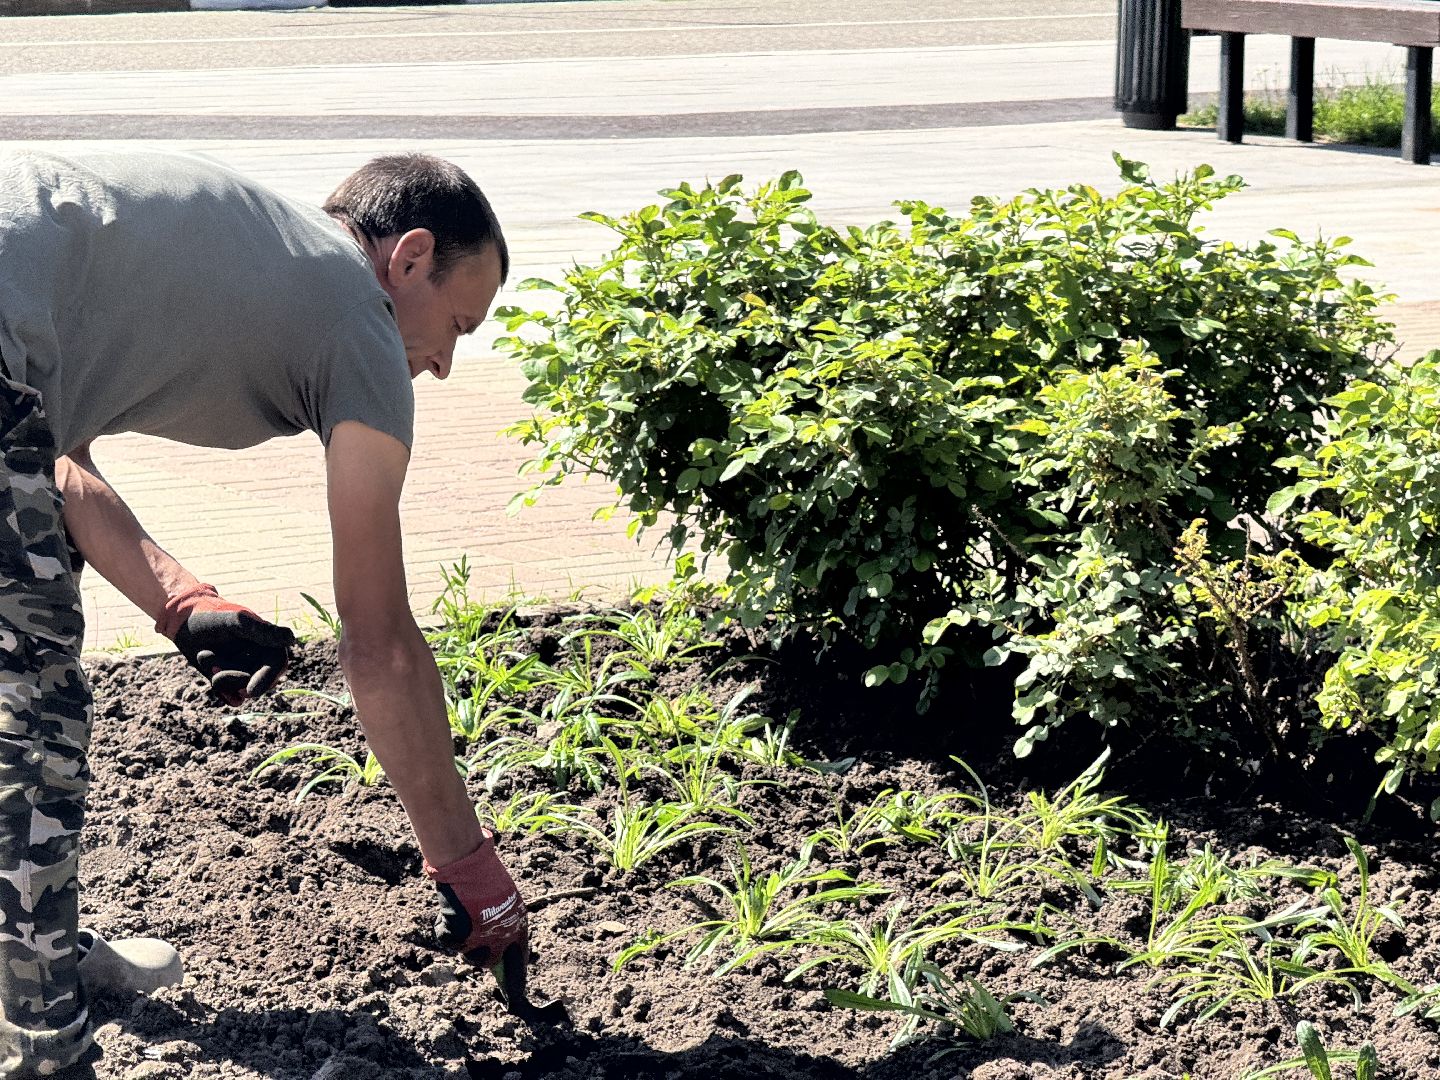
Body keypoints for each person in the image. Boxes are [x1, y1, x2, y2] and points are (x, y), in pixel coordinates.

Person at [0, 148, 528, 1078]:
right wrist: (469, 869)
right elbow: (382, 643)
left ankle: (31, 957)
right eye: (456, 323)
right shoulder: (356, 316)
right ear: (406, 259)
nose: (444, 365)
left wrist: (182, 602)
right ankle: (41, 1044)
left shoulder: (241, 240)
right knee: (29, 724)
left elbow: (52, 455)